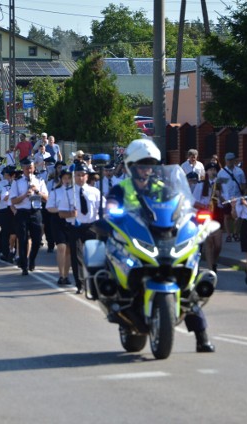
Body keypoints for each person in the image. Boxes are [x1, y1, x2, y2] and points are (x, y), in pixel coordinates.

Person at [106, 138, 215, 353]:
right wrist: (110, 214)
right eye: (142, 165)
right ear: (131, 166)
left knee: (188, 287)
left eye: (150, 165)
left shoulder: (161, 187)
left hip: (162, 239)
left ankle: (202, 336)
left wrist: (190, 216)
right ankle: (114, 297)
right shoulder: (121, 188)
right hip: (135, 239)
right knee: (111, 258)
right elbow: (111, 208)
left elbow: (180, 204)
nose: (146, 169)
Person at [57, 163, 103, 294]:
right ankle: (80, 284)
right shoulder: (68, 192)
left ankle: (95, 282)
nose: (80, 178)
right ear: (74, 176)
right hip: (75, 226)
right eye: (78, 175)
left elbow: (103, 208)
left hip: (91, 226)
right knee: (77, 257)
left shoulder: (95, 192)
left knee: (95, 256)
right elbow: (61, 213)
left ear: (87, 176)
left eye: (83, 175)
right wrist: (71, 214)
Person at [9, 157, 49, 275]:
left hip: (35, 212)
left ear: (34, 168)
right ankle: (24, 265)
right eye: (26, 168)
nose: (29, 170)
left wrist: (37, 191)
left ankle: (31, 259)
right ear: (23, 169)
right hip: (22, 212)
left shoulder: (39, 180)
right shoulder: (17, 182)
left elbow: (47, 199)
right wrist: (25, 195)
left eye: (30, 167)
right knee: (23, 239)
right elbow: (13, 201)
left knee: (37, 240)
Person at [193, 163, 223, 272]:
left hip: (217, 215)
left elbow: (225, 202)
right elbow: (194, 201)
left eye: (214, 169)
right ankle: (210, 269)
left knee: (218, 245)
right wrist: (204, 206)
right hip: (206, 215)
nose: (212, 171)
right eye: (210, 170)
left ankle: (214, 261)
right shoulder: (201, 185)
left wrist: (220, 196)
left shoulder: (220, 184)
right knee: (209, 243)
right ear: (206, 172)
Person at [45, 167, 72, 285]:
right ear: (61, 179)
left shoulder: (75, 192)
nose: (67, 180)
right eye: (65, 178)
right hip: (58, 220)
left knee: (69, 250)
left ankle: (66, 275)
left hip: (70, 220)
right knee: (61, 247)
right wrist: (61, 209)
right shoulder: (55, 191)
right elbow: (49, 207)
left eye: (69, 178)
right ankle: (61, 275)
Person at [219, 152, 246, 242]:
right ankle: (229, 234)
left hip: (237, 197)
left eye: (231, 160)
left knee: (238, 216)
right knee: (227, 216)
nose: (230, 162)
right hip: (226, 198)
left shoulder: (239, 171)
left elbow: (243, 184)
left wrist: (244, 196)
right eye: (228, 160)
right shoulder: (222, 173)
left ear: (234, 160)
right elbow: (219, 187)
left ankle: (236, 233)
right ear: (225, 161)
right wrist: (221, 198)